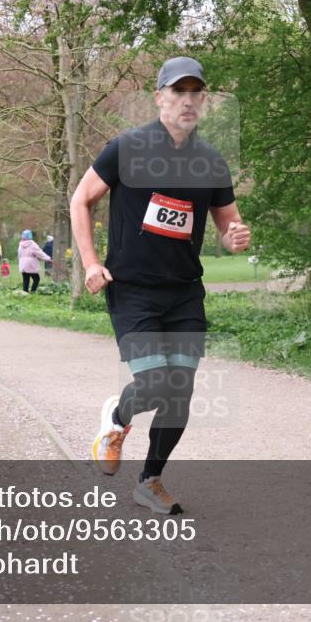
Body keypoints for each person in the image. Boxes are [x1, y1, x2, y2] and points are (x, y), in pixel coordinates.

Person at [70, 56, 251, 514]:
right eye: (177, 92)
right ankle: (117, 415)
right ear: (159, 98)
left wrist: (235, 237)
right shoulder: (126, 148)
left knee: (182, 391)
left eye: (195, 94)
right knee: (153, 384)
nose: (186, 101)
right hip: (133, 289)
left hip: (185, 292)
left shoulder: (210, 162)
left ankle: (150, 480)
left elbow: (230, 227)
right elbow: (82, 199)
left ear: (203, 101)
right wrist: (91, 263)